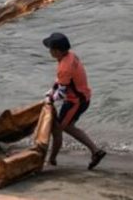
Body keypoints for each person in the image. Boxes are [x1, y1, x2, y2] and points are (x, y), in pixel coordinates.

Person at [42, 32, 106, 170]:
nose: (49, 52)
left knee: (60, 128)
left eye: (50, 49)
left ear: (57, 51)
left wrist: (50, 98)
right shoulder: (70, 56)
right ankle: (95, 151)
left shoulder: (64, 67)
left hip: (76, 102)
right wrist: (51, 90)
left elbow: (62, 92)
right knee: (65, 127)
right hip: (82, 97)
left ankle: (52, 160)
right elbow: (61, 82)